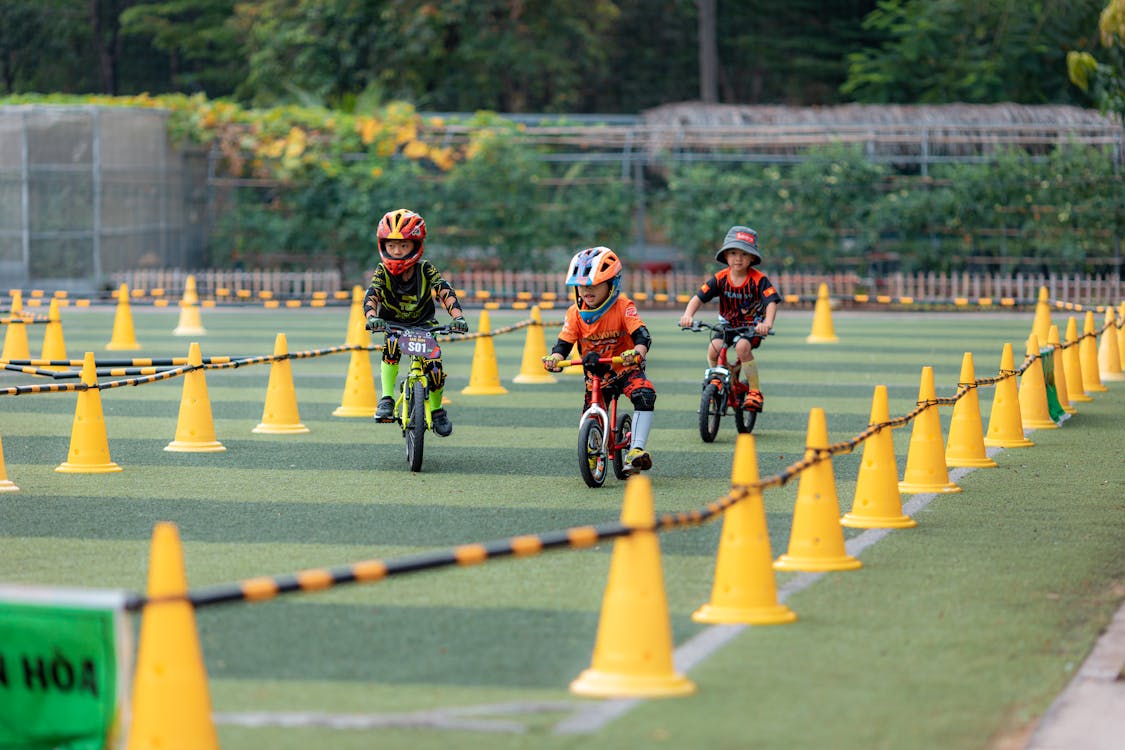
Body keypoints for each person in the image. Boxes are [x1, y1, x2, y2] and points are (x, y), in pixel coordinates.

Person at [542, 246, 655, 473]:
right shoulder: (574, 313)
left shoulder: (624, 306)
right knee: (589, 415)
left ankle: (636, 450)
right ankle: (593, 449)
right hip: (596, 375)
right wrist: (555, 358)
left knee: (644, 395)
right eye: (582, 286)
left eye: (593, 285)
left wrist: (638, 351)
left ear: (611, 285)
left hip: (626, 369)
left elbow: (641, 334)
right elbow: (564, 343)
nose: (586, 290)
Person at [364, 208, 468, 437]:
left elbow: (443, 289)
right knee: (391, 345)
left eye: (403, 246)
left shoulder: (425, 268)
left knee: (435, 369)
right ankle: (387, 399)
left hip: (424, 326)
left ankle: (438, 411)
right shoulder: (382, 271)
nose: (397, 251)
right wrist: (372, 317)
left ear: (416, 245)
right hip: (393, 325)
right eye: (391, 245)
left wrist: (457, 317)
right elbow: (373, 293)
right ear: (383, 245)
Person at [678, 225, 780, 413]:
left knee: (742, 347)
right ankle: (719, 377)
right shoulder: (720, 278)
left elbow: (771, 302)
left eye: (743, 254)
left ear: (752, 258)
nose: (738, 258)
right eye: (733, 253)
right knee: (713, 350)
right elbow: (698, 297)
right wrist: (688, 315)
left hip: (751, 327)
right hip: (726, 325)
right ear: (725, 256)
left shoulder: (759, 279)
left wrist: (767, 323)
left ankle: (755, 391)